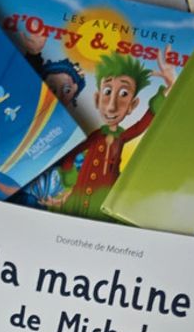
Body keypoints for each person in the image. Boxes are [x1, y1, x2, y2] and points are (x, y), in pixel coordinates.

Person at [55, 49, 176, 220]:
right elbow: (70, 154)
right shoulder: (93, 135)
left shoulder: (121, 137)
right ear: (97, 99)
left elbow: (142, 125)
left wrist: (170, 87)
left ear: (132, 105)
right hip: (78, 198)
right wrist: (69, 179)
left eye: (123, 94)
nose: (112, 106)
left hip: (103, 200)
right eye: (107, 92)